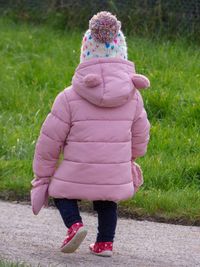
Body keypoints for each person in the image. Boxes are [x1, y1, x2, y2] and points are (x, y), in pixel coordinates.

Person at [32, 11, 150, 257]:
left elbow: (50, 139)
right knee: (107, 200)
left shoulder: (68, 96)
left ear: (85, 55)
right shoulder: (133, 96)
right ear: (122, 55)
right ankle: (105, 244)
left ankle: (75, 226)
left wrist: (43, 174)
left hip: (78, 168)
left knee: (60, 191)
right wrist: (132, 156)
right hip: (113, 170)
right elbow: (141, 132)